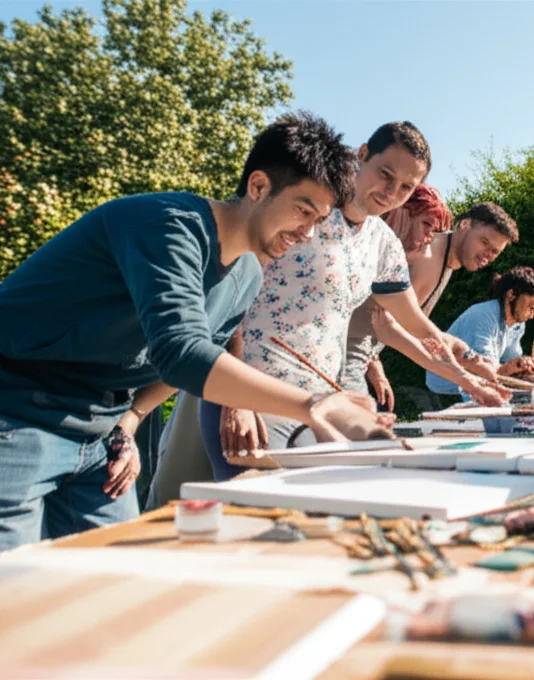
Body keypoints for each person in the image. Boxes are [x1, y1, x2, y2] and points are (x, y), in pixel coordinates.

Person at [0, 112, 375, 550]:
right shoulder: (168, 226)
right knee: (15, 590)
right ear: (258, 187)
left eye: (319, 220)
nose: (308, 233)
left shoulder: (249, 274)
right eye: (303, 210)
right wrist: (315, 406)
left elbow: (184, 362)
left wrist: (129, 420)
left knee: (120, 587)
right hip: (18, 414)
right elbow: (182, 351)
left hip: (99, 436)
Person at [200, 122, 507, 480]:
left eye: (407, 187)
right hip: (253, 393)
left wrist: (470, 383)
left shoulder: (384, 244)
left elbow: (417, 328)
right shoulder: (305, 207)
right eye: (385, 174)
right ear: (362, 155)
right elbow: (231, 295)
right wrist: (236, 400)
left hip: (321, 401)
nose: (392, 192)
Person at [341, 194, 520, 410]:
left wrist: (483, 364)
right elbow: (386, 323)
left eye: (495, 252)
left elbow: (418, 329)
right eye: (484, 242)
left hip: (356, 352)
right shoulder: (426, 254)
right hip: (340, 351)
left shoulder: (446, 261)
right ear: (464, 225)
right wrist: (467, 379)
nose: (488, 255)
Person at [427, 266, 534, 397]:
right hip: (442, 377)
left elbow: (510, 363)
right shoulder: (483, 316)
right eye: (532, 307)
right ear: (511, 295)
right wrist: (511, 368)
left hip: (477, 370)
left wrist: (525, 367)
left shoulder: (518, 324)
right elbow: (480, 371)